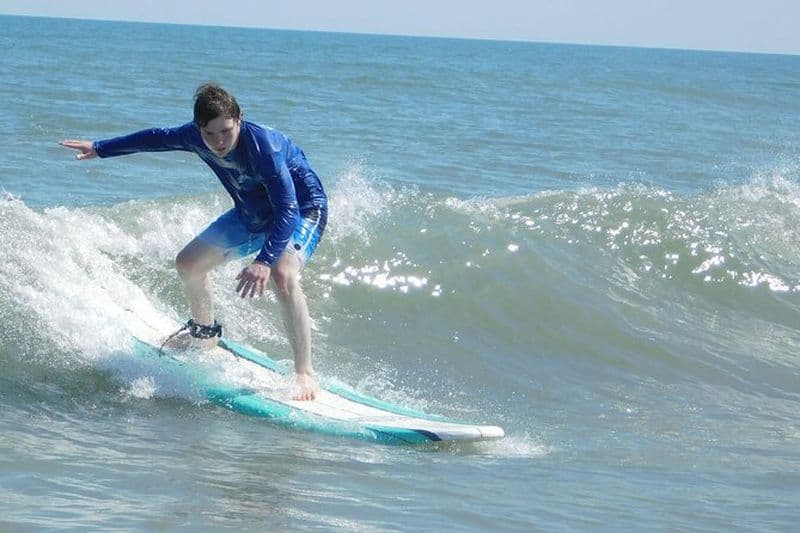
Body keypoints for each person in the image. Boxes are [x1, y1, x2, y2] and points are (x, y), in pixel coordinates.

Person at [60, 83, 328, 401]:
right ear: (198, 128)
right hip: (253, 212)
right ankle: (204, 334)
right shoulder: (195, 137)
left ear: (239, 119)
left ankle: (304, 373)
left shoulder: (264, 148)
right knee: (188, 264)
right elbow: (156, 138)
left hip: (302, 210)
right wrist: (101, 148)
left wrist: (263, 261)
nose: (218, 142)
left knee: (282, 273)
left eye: (226, 131)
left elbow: (288, 209)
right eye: (210, 134)